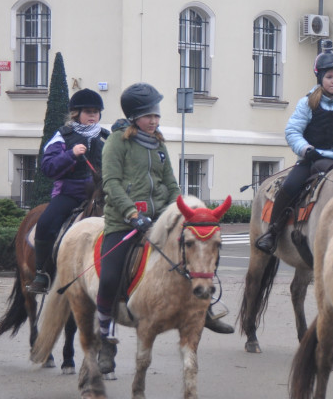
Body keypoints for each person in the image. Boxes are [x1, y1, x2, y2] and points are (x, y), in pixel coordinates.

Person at [97, 83, 232, 376]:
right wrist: (132, 213)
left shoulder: (158, 144)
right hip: (123, 221)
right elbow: (111, 183)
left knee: (196, 256)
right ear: (134, 117)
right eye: (148, 116)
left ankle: (204, 310)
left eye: (156, 115)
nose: (154, 121)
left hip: (160, 219)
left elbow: (171, 183)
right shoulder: (117, 143)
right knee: (108, 276)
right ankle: (105, 337)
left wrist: (183, 210)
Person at [255, 50, 333, 253]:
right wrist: (306, 149)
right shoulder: (307, 103)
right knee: (290, 185)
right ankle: (273, 232)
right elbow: (293, 131)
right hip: (312, 159)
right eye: (329, 77)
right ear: (320, 78)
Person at [27, 88, 110, 294]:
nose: (92, 115)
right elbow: (47, 168)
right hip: (70, 194)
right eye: (88, 111)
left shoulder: (107, 138)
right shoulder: (62, 137)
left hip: (102, 195)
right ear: (76, 114)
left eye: (96, 112)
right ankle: (42, 273)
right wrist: (71, 154)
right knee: (46, 222)